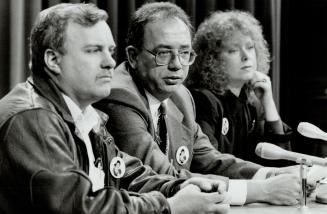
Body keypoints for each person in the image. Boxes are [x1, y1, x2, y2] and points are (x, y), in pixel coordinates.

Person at [0, 3, 230, 214]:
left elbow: (123, 173)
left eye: (109, 51)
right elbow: (78, 206)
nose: (110, 62)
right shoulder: (34, 118)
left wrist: (179, 186)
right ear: (53, 60)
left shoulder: (84, 114)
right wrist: (169, 206)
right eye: (93, 50)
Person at [95, 1, 303, 206]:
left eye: (184, 53)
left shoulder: (181, 96)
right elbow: (160, 176)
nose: (177, 65)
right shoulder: (119, 95)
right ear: (133, 56)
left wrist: (269, 174)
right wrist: (258, 190)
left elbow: (209, 159)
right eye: (163, 53)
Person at [186, 10, 292, 166]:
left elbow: (282, 162)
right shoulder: (203, 100)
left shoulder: (252, 102)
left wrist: (268, 103)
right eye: (233, 50)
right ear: (212, 59)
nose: (246, 56)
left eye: (250, 47)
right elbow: (207, 165)